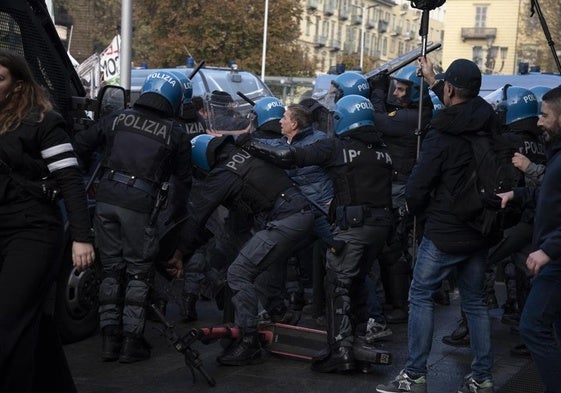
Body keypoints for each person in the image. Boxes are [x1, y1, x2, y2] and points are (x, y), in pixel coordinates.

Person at [245, 94, 394, 373]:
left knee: (337, 284)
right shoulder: (382, 151)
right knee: (358, 281)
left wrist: (248, 145)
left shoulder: (336, 147)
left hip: (352, 227)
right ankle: (360, 339)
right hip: (381, 227)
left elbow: (289, 157)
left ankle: (341, 351)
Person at [376, 58, 497, 393]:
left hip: (445, 228)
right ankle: (482, 378)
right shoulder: (487, 118)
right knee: (473, 301)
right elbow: (462, 106)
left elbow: (419, 184)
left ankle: (415, 375)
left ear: (451, 90)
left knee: (421, 295)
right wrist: (432, 81)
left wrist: (411, 208)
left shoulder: (441, 132)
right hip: (480, 226)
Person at [73, 71, 192, 363]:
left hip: (106, 199)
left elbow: (80, 144)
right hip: (140, 205)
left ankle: (108, 339)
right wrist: (174, 217)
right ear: (175, 100)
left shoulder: (118, 118)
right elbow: (183, 182)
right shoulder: (175, 132)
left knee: (111, 269)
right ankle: (131, 341)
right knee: (138, 271)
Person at [169, 134, 314, 366]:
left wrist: (179, 253)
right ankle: (278, 312)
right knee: (261, 265)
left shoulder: (223, 174)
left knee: (238, 273)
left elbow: (198, 217)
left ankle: (249, 342)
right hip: (300, 213)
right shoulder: (244, 155)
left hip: (286, 219)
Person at [0, 49, 95, 392]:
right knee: (32, 325)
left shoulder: (43, 122)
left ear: (18, 84)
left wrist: (82, 237)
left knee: (7, 321)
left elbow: (70, 180)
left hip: (34, 230)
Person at [497, 85, 561, 393]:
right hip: (552, 254)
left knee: (533, 327)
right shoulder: (557, 154)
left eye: (546, 116)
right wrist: (518, 193)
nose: (539, 122)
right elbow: (548, 193)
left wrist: (548, 250)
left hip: (556, 260)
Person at [369, 65, 433, 324]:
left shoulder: (414, 117)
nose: (396, 92)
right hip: (399, 184)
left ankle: (400, 304)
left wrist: (377, 89)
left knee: (395, 247)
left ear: (416, 93)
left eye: (402, 89)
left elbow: (379, 119)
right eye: (395, 87)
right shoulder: (413, 113)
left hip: (401, 188)